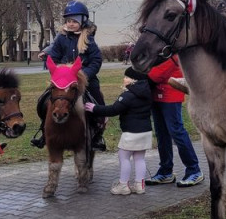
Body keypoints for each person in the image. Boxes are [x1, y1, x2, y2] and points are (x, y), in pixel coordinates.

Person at [30, 1, 106, 151]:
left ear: (83, 21)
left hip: (85, 78)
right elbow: (55, 55)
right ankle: (44, 132)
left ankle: (97, 134)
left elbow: (96, 60)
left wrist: (85, 75)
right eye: (68, 21)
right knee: (44, 100)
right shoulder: (61, 38)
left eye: (74, 21)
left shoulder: (88, 39)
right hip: (63, 80)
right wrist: (51, 60)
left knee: (98, 101)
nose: (71, 24)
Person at [87, 67, 154, 195]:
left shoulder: (128, 95)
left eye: (127, 77)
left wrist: (94, 108)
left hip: (131, 133)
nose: (124, 79)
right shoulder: (147, 93)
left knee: (124, 157)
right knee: (140, 159)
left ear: (133, 80)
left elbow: (113, 109)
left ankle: (123, 185)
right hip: (145, 132)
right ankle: (140, 185)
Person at [145, 55, 203, 186]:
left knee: (176, 131)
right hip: (155, 93)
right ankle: (165, 171)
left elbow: (157, 72)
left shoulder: (171, 48)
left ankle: (194, 170)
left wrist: (143, 76)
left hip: (170, 93)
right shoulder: (157, 46)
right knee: (161, 134)